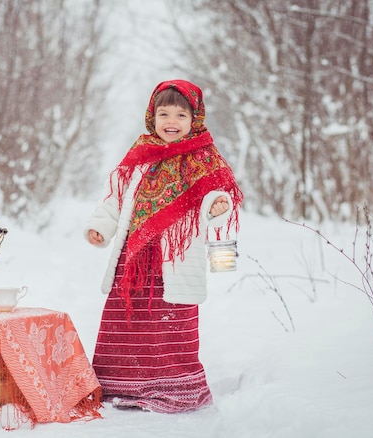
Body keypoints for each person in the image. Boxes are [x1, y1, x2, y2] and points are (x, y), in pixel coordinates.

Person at [84, 79, 243, 413]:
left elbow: (217, 194)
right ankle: (120, 386)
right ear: (151, 116)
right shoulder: (139, 157)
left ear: (195, 119)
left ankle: (173, 389)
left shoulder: (202, 158)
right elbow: (114, 199)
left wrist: (217, 205)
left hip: (176, 256)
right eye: (164, 113)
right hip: (134, 257)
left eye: (181, 115)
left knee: (169, 322)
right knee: (129, 319)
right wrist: (101, 227)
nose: (172, 122)